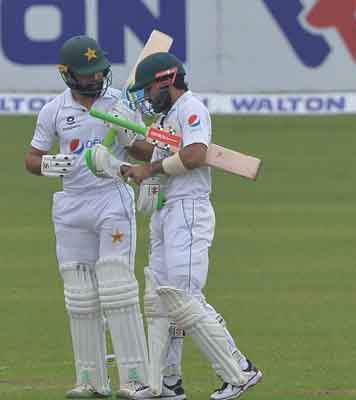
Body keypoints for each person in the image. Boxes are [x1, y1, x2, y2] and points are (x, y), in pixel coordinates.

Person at [114, 52, 262, 400]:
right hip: (165, 212)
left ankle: (240, 370)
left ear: (166, 81)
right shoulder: (167, 116)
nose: (147, 98)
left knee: (184, 300)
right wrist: (122, 131)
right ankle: (168, 382)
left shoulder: (192, 109)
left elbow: (195, 155)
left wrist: (147, 171)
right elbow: (148, 154)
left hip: (189, 211)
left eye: (149, 90)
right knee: (162, 301)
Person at [23, 35, 148, 398]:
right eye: (87, 75)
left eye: (98, 73)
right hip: (72, 205)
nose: (95, 80)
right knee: (80, 295)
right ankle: (91, 381)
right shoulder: (54, 111)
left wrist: (128, 131)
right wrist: (49, 164)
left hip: (111, 199)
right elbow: (31, 157)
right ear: (67, 74)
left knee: (117, 288)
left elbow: (144, 151)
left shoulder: (119, 104)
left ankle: (136, 379)